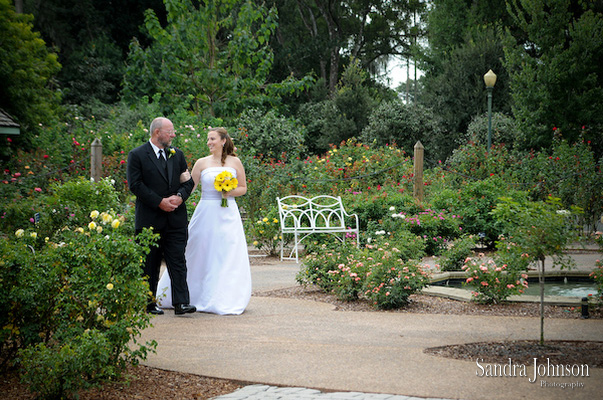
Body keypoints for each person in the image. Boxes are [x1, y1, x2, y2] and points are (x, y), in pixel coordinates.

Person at [157, 127, 251, 315]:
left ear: (223, 140)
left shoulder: (235, 161)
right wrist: (175, 199)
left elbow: (243, 188)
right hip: (206, 211)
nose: (209, 142)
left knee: (227, 252)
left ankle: (224, 296)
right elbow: (189, 188)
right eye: (208, 139)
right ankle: (186, 294)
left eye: (212, 139)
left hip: (228, 213)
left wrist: (228, 191)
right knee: (198, 250)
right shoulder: (201, 163)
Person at [127, 117, 197, 316]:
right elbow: (136, 185)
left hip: (175, 218)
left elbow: (188, 182)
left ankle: (182, 303)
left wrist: (180, 197)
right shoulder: (137, 155)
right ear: (157, 132)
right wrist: (160, 202)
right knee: (150, 263)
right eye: (170, 131)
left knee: (178, 261)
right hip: (150, 219)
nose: (173, 135)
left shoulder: (178, 155)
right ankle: (148, 303)